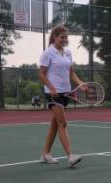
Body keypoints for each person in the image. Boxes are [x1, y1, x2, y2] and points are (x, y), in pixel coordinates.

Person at [38, 25, 86, 167]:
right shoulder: (48, 53)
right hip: (53, 94)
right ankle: (70, 156)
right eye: (62, 37)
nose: (65, 39)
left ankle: (45, 154)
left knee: (55, 124)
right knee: (63, 123)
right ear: (54, 37)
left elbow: (71, 73)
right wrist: (51, 88)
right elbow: (41, 73)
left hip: (66, 92)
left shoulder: (68, 53)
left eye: (66, 37)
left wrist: (80, 84)